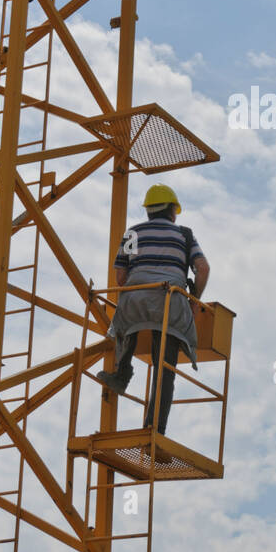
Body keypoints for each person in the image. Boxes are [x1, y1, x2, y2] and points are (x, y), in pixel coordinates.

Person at [98, 185, 210, 445]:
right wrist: (194, 301)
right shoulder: (185, 235)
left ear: (148, 211)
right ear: (173, 210)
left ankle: (121, 374)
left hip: (136, 296)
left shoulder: (133, 232)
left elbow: (121, 276)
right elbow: (202, 268)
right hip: (171, 300)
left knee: (128, 320)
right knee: (164, 368)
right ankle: (155, 428)